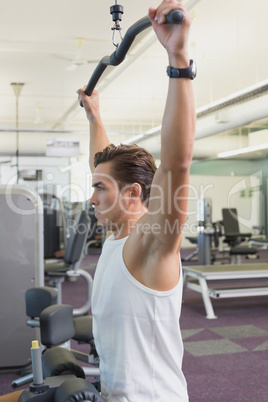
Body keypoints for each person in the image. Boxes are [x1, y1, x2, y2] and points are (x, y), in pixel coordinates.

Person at [77, 0, 196, 400]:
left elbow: (176, 165)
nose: (91, 198)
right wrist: (95, 118)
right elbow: (102, 163)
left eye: (100, 189)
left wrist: (178, 61)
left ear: (133, 194)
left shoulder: (151, 241)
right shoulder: (115, 234)